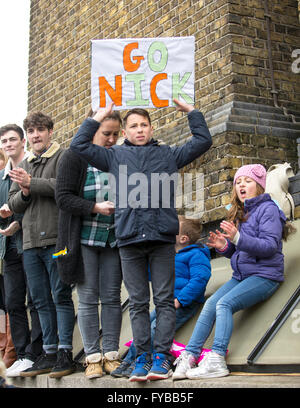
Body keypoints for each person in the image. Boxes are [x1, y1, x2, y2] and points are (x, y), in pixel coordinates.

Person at [70, 99, 212, 382]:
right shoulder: (114, 156)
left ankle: (161, 358)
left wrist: (191, 112)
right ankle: (142, 357)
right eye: (133, 126)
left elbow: (202, 141)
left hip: (161, 239)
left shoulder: (168, 154)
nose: (139, 130)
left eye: (143, 125)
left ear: (151, 127)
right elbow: (79, 146)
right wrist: (97, 118)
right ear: (125, 131)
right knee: (136, 302)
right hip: (129, 239)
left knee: (162, 300)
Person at [172, 164, 293, 380]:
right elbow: (241, 252)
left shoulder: (269, 209)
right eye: (238, 182)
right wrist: (225, 247)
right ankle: (190, 355)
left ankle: (217, 359)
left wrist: (237, 238)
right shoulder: (241, 212)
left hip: (266, 275)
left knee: (224, 303)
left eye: (247, 181)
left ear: (259, 185)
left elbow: (269, 247)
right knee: (210, 304)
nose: (241, 185)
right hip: (243, 275)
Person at [55, 109, 123, 379]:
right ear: (92, 130)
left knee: (112, 298)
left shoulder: (118, 156)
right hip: (83, 239)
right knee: (87, 298)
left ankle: (111, 355)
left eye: (116, 134)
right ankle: (92, 358)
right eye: (106, 133)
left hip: (113, 240)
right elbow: (63, 198)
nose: (111, 139)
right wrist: (94, 206)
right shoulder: (74, 157)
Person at [7, 112, 76, 378]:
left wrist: (31, 183)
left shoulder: (64, 157)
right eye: (32, 131)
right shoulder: (23, 163)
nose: (36, 135)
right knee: (39, 299)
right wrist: (24, 191)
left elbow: (66, 188)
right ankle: (48, 351)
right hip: (30, 245)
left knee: (60, 295)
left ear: (49, 131)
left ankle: (65, 352)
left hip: (58, 243)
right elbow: (14, 204)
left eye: (40, 130)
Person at [111, 215, 211, 378]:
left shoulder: (196, 255)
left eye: (171, 228)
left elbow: (200, 279)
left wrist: (181, 300)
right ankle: (130, 360)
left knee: (154, 329)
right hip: (165, 304)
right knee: (143, 327)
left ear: (183, 238)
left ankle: (145, 361)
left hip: (183, 305)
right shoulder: (169, 255)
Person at [0, 124, 43, 377]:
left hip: (33, 243)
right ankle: (23, 352)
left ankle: (36, 352)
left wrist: (19, 222)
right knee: (13, 302)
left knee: (37, 300)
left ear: (23, 141)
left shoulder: (32, 166)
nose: (8, 144)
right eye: (4, 141)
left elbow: (39, 207)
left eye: (12, 139)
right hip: (9, 248)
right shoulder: (2, 178)